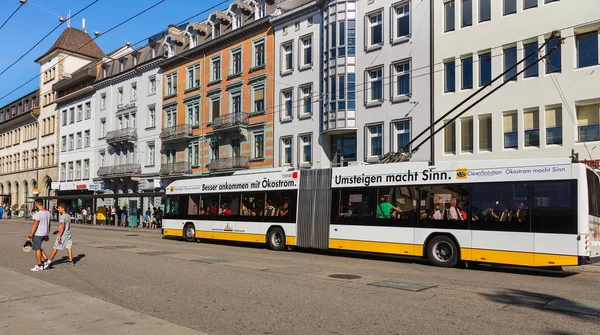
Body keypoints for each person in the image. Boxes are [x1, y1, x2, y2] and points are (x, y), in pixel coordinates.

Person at [26, 199, 51, 272]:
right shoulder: (48, 213)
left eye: (35, 204)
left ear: (37, 204)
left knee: (37, 249)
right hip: (44, 233)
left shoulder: (37, 214)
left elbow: (35, 225)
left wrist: (29, 236)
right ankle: (46, 260)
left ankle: (39, 265)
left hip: (38, 234)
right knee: (38, 247)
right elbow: (49, 224)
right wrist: (47, 233)